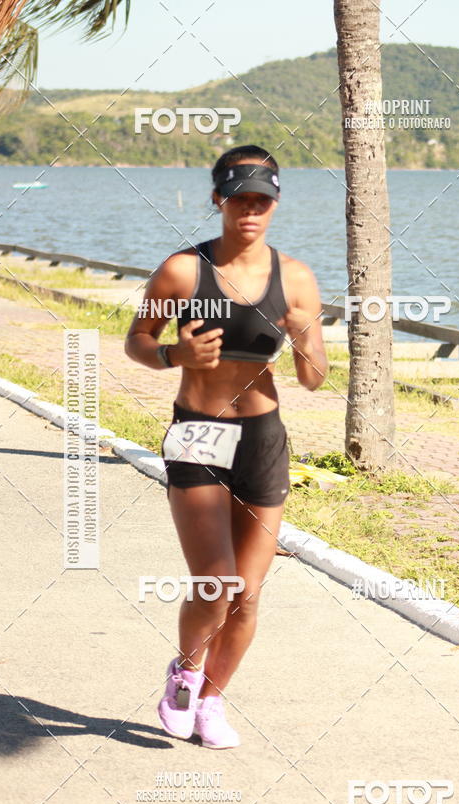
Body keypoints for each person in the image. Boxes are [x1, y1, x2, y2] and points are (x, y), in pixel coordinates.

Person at [125, 145, 328, 749]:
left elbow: (315, 377)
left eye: (261, 201)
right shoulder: (183, 271)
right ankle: (186, 671)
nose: (249, 211)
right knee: (214, 582)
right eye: (239, 198)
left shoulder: (294, 278)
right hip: (198, 432)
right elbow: (137, 339)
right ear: (218, 199)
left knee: (247, 595)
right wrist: (172, 355)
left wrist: (303, 338)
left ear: (274, 205)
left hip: (262, 438)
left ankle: (212, 701)